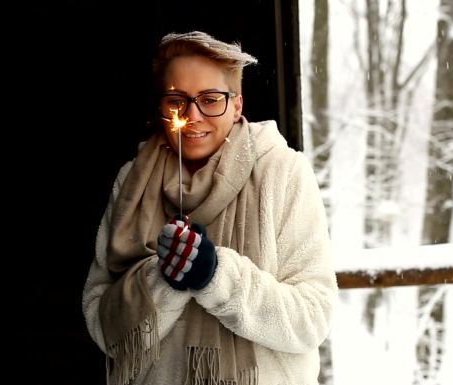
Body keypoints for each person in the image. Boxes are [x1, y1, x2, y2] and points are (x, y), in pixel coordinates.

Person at [82, 30, 338, 385]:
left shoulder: (283, 173)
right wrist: (161, 279)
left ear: (237, 105)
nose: (193, 115)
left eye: (210, 98)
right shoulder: (132, 182)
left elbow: (312, 319)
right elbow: (101, 325)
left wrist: (217, 276)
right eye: (177, 100)